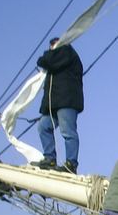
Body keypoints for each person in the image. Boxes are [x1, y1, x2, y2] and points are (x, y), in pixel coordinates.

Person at [33, 37, 84, 174]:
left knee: (68, 131)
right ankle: (49, 158)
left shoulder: (66, 52)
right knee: (43, 126)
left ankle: (71, 163)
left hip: (66, 100)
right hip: (55, 103)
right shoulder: (59, 57)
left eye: (53, 46)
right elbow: (45, 62)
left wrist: (50, 53)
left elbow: (44, 61)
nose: (51, 49)